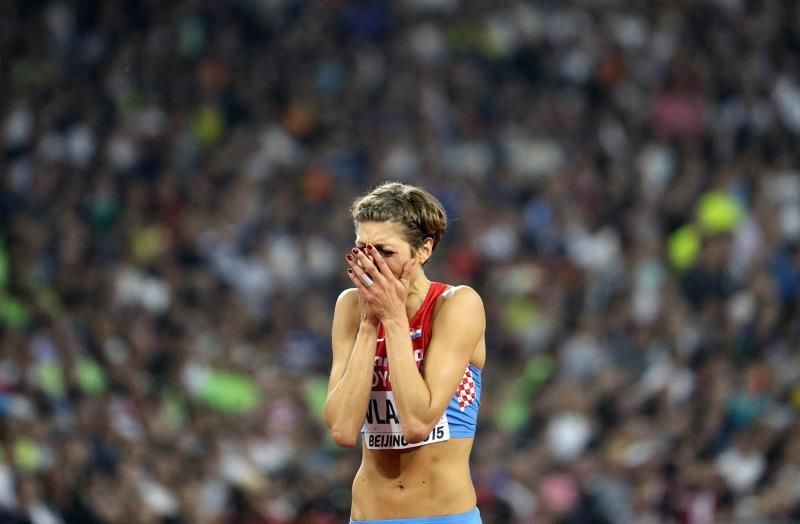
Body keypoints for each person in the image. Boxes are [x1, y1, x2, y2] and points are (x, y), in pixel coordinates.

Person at [324, 182, 486, 524]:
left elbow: (417, 422)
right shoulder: (350, 307)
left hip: (442, 517)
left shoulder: (457, 305)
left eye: (385, 251)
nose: (371, 263)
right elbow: (342, 429)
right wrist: (369, 324)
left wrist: (394, 318)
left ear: (423, 250)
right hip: (368, 515)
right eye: (362, 249)